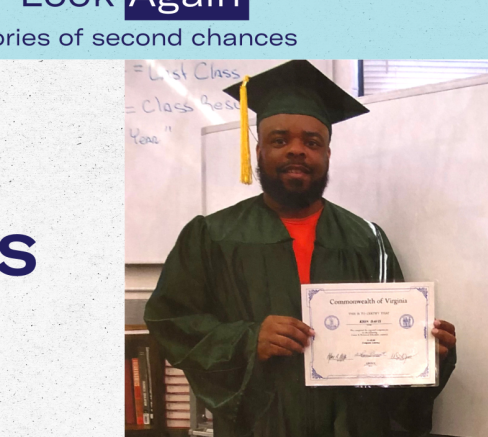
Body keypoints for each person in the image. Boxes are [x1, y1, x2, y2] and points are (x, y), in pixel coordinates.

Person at [143, 60, 457, 437]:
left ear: (327, 154)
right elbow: (169, 321)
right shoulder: (211, 236)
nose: (297, 151)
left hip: (352, 426)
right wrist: (247, 339)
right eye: (279, 140)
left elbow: (390, 348)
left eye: (312, 142)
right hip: (260, 426)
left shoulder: (366, 239)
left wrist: (427, 353)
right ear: (258, 152)